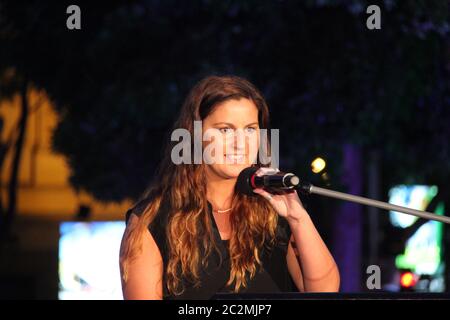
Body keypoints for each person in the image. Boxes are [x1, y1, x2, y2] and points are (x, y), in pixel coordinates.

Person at [119, 75, 340, 299]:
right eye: (225, 130)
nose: (240, 143)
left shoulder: (274, 211)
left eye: (250, 129)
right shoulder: (152, 219)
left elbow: (325, 293)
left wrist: (298, 218)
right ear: (196, 136)